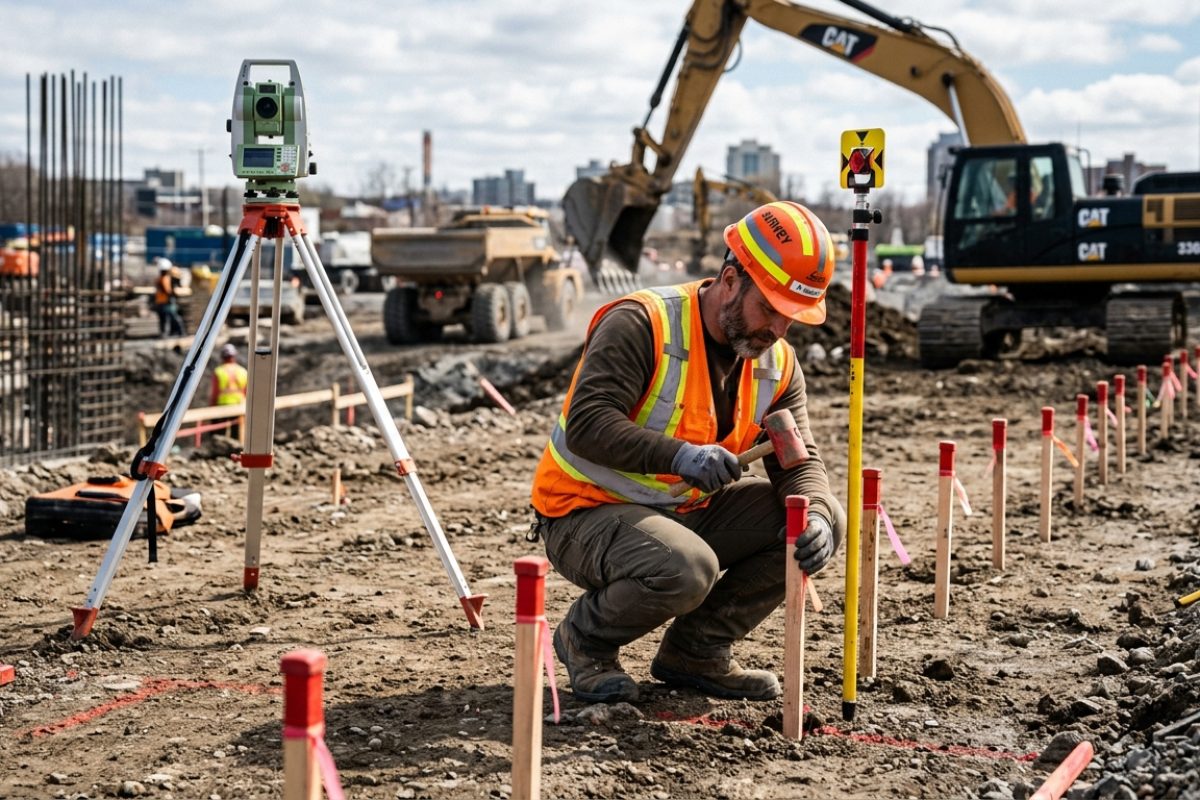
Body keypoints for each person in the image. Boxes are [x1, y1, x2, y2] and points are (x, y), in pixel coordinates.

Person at [530, 201, 846, 704]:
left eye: (792, 318)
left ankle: (696, 652)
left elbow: (800, 463)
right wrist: (680, 456)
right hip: (584, 512)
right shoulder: (642, 323)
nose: (778, 331)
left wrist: (821, 517)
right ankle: (585, 640)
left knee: (808, 517)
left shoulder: (778, 363)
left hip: (682, 514)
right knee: (688, 567)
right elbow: (588, 424)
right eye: (769, 309)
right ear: (729, 280)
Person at [210, 343, 249, 440]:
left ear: (222, 357)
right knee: (236, 432)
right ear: (234, 356)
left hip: (223, 405)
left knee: (220, 433)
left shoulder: (219, 371)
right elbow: (246, 391)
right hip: (238, 405)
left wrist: (212, 407)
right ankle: (234, 450)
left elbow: (215, 392)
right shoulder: (243, 371)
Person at [153, 258, 185, 338]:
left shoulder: (163, 278)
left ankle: (176, 332)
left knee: (169, 318)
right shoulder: (163, 279)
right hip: (164, 301)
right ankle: (176, 332)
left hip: (163, 301)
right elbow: (167, 291)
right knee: (169, 317)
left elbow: (168, 290)